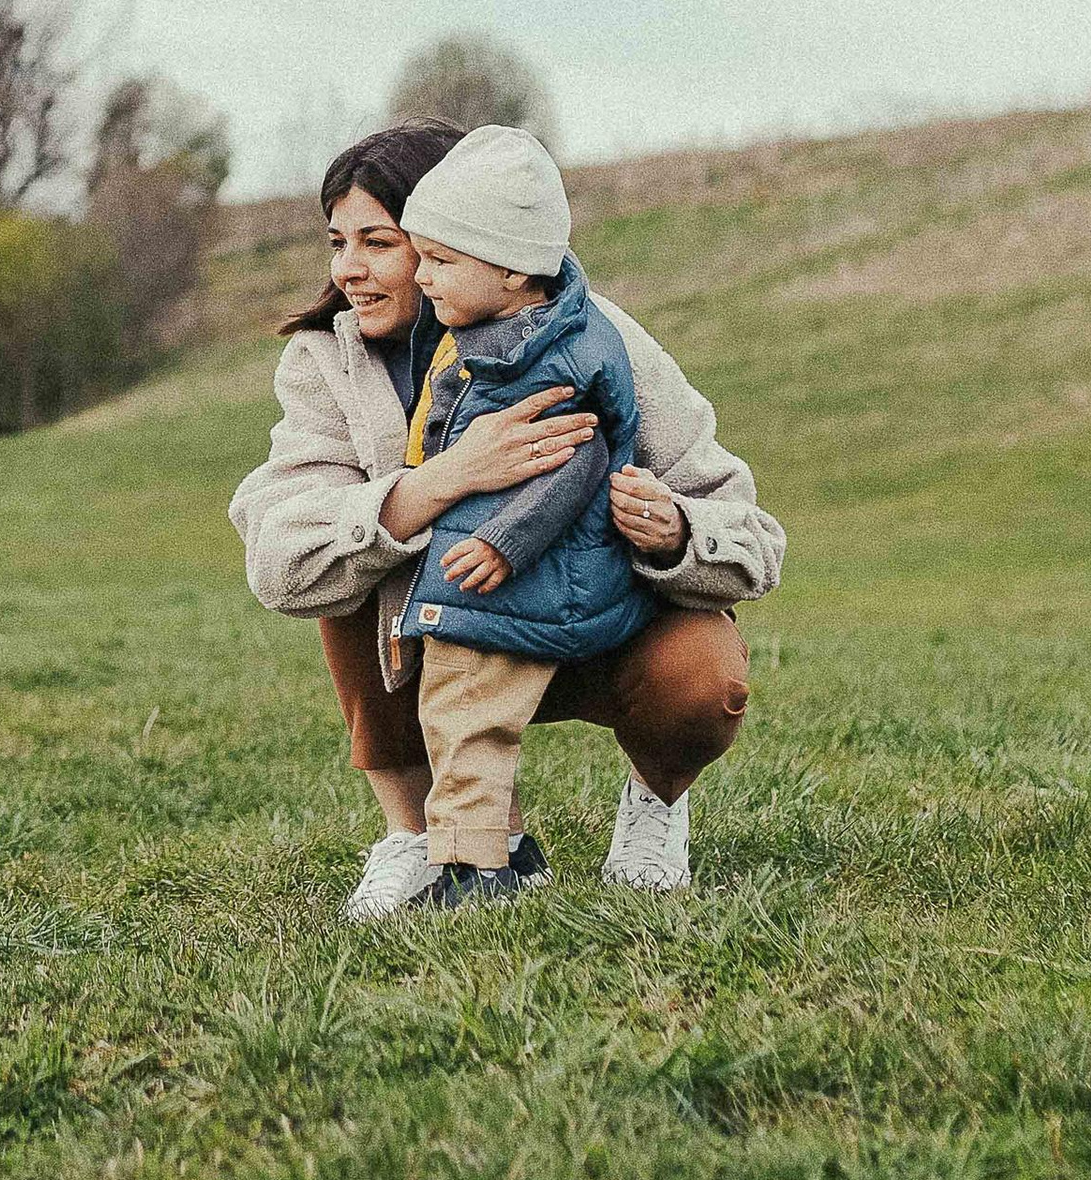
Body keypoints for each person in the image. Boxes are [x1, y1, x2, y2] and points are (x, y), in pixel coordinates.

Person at [228, 118, 784, 918]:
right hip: (455, 638)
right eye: (336, 242)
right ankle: (426, 836)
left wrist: (676, 531)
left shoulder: (596, 339)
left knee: (703, 678)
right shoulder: (328, 360)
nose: (349, 270)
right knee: (343, 570)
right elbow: (280, 552)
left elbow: (753, 537)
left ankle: (656, 808)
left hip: (592, 624)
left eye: (380, 243)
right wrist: (440, 483)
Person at [393, 127, 667, 908]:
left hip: (519, 576)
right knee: (461, 717)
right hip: (507, 571)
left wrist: (504, 544)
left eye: (441, 260)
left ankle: (475, 874)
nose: (422, 275)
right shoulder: (522, 329)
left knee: (465, 716)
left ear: (513, 269)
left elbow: (578, 455)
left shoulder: (545, 355)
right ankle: (495, 859)